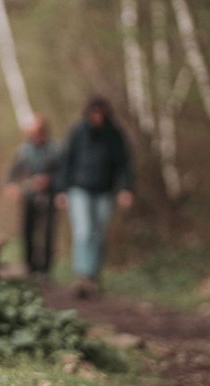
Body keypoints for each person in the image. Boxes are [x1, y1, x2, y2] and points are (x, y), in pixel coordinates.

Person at [56, 96, 134, 298]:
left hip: (105, 191)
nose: (97, 117)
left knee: (98, 234)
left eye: (101, 113)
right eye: (94, 113)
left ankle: (93, 276)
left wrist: (126, 188)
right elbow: (66, 161)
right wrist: (62, 190)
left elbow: (124, 163)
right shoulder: (78, 132)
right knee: (83, 232)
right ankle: (83, 276)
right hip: (79, 189)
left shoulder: (114, 135)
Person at [4, 113, 60, 277]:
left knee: (48, 233)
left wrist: (50, 181)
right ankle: (30, 267)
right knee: (27, 231)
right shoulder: (24, 150)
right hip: (29, 195)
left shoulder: (55, 149)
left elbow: (63, 173)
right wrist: (12, 185)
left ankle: (45, 270)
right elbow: (13, 172)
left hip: (50, 196)